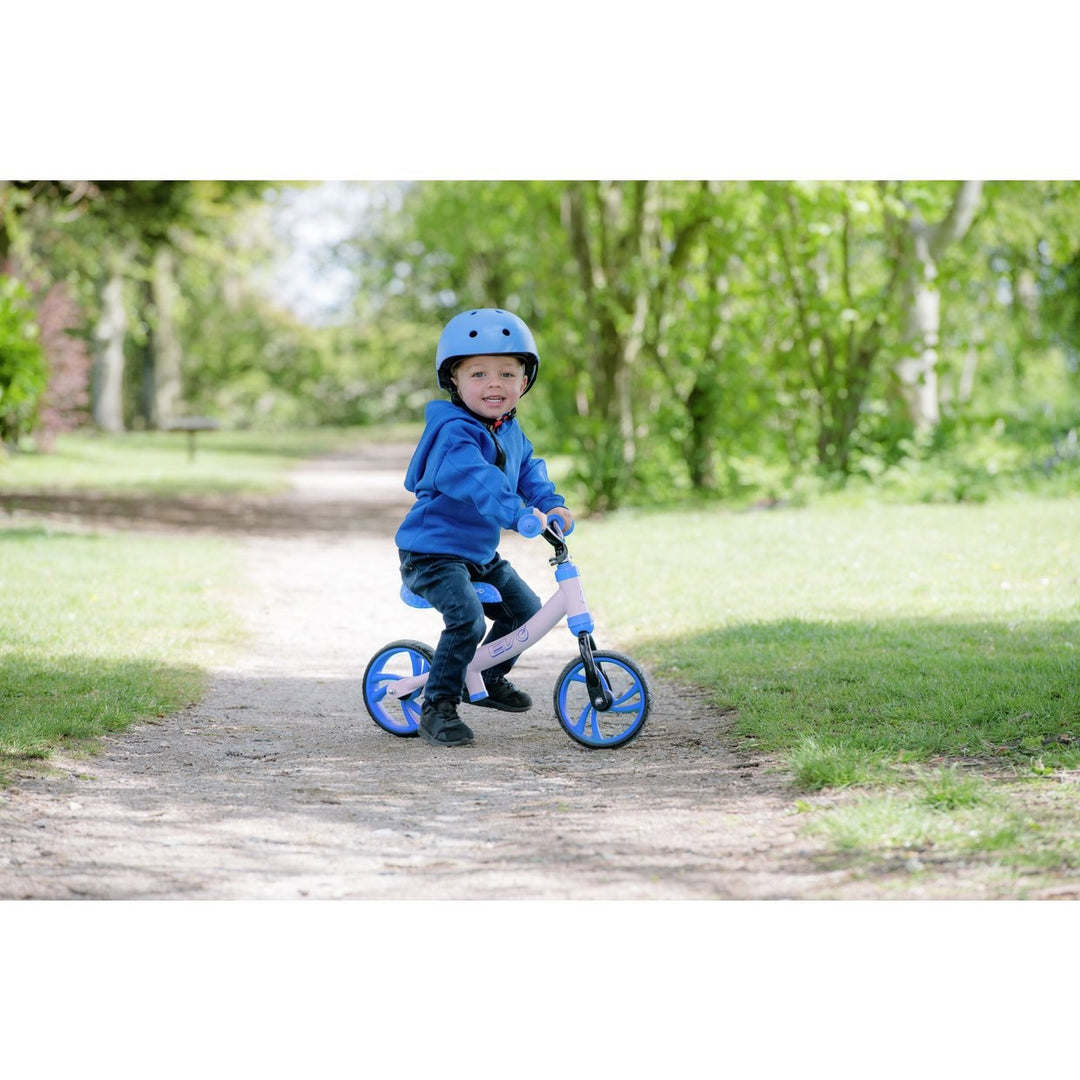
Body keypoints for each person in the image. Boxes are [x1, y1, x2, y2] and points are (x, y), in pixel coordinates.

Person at [395, 308, 574, 748]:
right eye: (478, 373)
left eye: (507, 373)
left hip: (477, 555)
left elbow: (527, 469)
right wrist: (517, 514)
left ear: (524, 381)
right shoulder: (453, 434)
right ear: (454, 381)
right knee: (468, 620)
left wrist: (550, 505)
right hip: (432, 553)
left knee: (525, 610)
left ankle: (488, 677)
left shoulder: (508, 429)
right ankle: (437, 706)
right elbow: (483, 482)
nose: (494, 384)